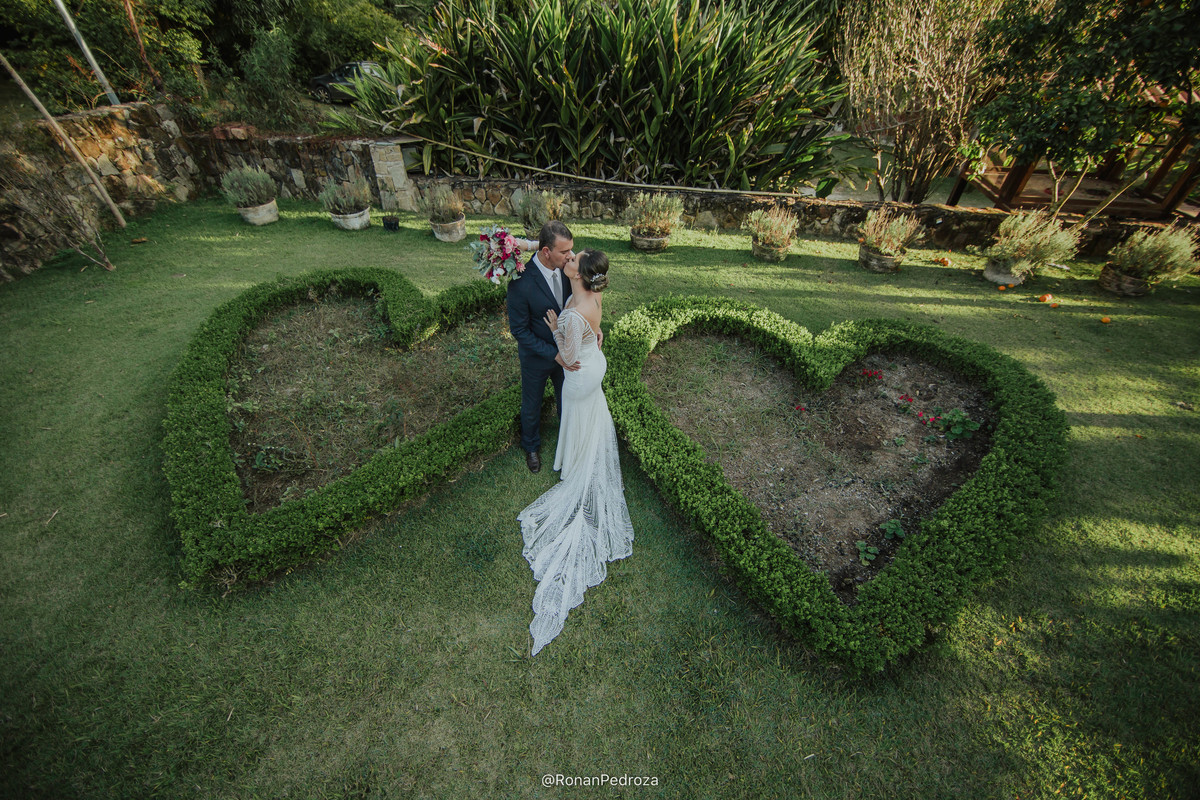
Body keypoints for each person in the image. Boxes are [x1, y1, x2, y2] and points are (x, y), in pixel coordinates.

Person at [517, 249, 634, 656]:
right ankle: (580, 454)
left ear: (579, 275)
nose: (569, 258)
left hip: (580, 374)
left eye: (574, 259)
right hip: (595, 362)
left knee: (579, 413)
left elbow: (566, 359)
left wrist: (557, 328)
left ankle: (577, 464)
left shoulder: (571, 313)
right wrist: (591, 334)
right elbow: (591, 327)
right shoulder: (593, 293)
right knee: (590, 418)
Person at [507, 220, 577, 474]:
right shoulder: (520, 281)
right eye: (564, 251)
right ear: (546, 251)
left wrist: (595, 327)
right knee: (532, 404)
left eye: (571, 249)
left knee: (566, 398)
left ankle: (569, 440)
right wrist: (553, 354)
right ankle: (531, 446)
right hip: (536, 358)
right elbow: (519, 331)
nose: (570, 256)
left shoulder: (569, 269)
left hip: (566, 351)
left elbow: (581, 300)